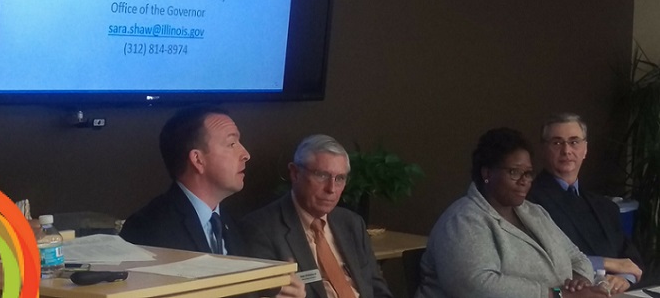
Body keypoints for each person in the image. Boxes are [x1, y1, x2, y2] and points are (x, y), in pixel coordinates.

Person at [118, 105, 305, 297]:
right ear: (198, 160)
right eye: (232, 144)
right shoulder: (149, 229)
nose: (246, 154)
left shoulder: (233, 227)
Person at [415, 128, 607, 298]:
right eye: (514, 172)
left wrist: (579, 283)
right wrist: (557, 295)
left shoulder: (535, 213)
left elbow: (576, 256)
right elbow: (476, 287)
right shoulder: (463, 220)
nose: (524, 181)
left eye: (528, 173)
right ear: (487, 173)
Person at [240, 134, 393, 298]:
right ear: (295, 173)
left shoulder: (352, 223)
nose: (331, 189)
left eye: (340, 178)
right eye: (322, 175)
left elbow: (379, 291)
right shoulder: (261, 229)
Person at [527, 113, 643, 293]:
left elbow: (630, 258)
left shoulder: (605, 206)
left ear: (585, 149)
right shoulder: (528, 201)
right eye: (557, 143)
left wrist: (623, 278)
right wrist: (609, 263)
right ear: (543, 149)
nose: (566, 151)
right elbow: (541, 262)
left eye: (574, 142)